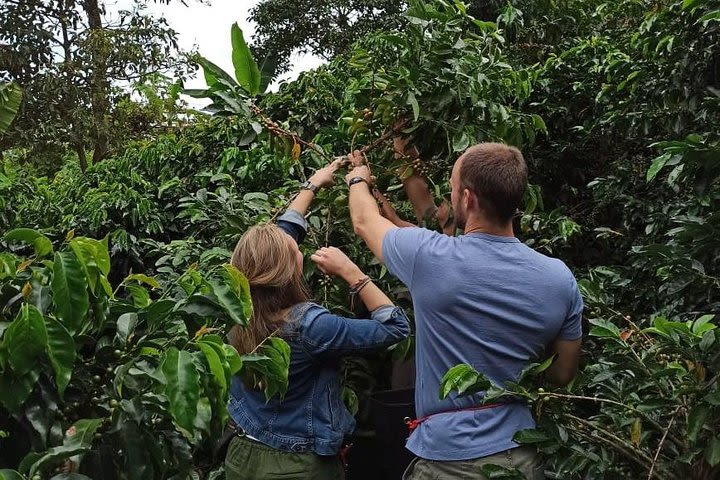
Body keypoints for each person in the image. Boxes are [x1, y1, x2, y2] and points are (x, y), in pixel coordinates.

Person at [344, 143, 583, 479]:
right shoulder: (559, 278)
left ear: (468, 199)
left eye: (453, 188)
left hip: (449, 460)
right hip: (523, 455)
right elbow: (562, 374)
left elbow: (363, 220)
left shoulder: (431, 258)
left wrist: (357, 178)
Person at [225, 159, 411, 480]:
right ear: (286, 270)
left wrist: (313, 183)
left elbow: (282, 235)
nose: (295, 246)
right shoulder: (309, 326)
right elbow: (395, 327)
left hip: (243, 452)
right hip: (296, 465)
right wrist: (353, 273)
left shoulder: (236, 304)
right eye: (293, 250)